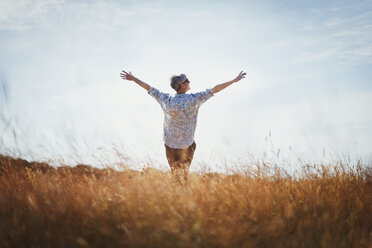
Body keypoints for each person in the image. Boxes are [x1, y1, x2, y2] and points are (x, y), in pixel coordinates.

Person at [120, 70, 246, 183]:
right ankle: (182, 202)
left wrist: (133, 78)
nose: (189, 82)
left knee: (175, 176)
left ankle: (175, 201)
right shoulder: (194, 99)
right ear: (182, 85)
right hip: (187, 146)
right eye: (187, 81)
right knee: (183, 177)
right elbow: (215, 89)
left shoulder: (166, 99)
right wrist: (234, 81)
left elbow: (148, 87)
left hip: (170, 146)